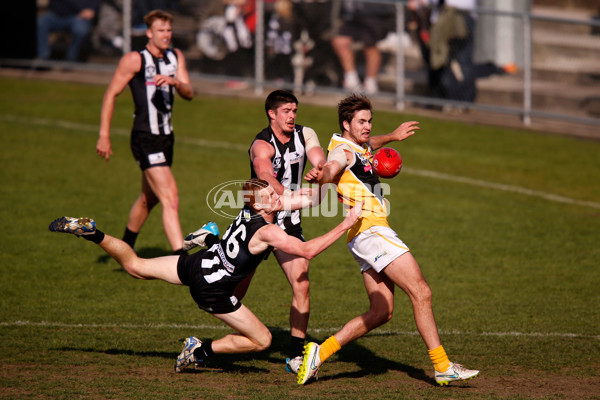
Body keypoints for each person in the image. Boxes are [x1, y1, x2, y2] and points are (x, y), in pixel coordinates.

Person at [48, 179, 362, 372]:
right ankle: (199, 350)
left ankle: (92, 232)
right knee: (262, 340)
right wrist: (345, 224)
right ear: (263, 205)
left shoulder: (251, 210)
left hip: (199, 264)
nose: (278, 195)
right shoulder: (268, 232)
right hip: (211, 289)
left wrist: (329, 181)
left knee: (135, 266)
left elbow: (302, 198)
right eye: (272, 194)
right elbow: (307, 251)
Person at [299, 94, 479, 386]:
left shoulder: (357, 145)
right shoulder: (342, 153)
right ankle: (443, 366)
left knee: (381, 312)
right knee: (421, 291)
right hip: (372, 231)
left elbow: (369, 145)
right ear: (346, 124)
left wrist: (393, 137)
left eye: (370, 121)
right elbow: (333, 167)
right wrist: (322, 175)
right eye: (361, 122)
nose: (368, 127)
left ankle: (320, 352)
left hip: (360, 236)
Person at [240, 90, 326, 374]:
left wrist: (319, 170)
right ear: (272, 114)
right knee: (234, 292)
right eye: (286, 111)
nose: (292, 116)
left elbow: (317, 156)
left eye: (294, 111)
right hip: (258, 222)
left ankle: (295, 355)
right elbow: (264, 174)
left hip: (288, 224)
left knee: (301, 282)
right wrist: (288, 195)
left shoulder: (305, 134)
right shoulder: (262, 145)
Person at [96, 10, 194, 255]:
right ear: (149, 32)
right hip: (144, 137)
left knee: (148, 199)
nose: (166, 35)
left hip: (166, 137)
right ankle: (182, 261)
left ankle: (124, 249)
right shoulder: (135, 59)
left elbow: (189, 93)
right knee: (170, 196)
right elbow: (111, 94)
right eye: (161, 30)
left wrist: (176, 83)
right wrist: (104, 135)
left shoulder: (176, 56)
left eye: (169, 30)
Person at [331, 0, 395, 94]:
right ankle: (351, 80)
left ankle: (370, 83)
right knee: (340, 41)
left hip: (374, 13)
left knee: (370, 46)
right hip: (354, 14)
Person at [36, 0, 101, 62]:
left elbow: (92, 9)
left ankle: (71, 57)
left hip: (78, 17)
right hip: (57, 15)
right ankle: (43, 57)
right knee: (40, 23)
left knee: (80, 29)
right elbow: (52, 4)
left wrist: (92, 9)